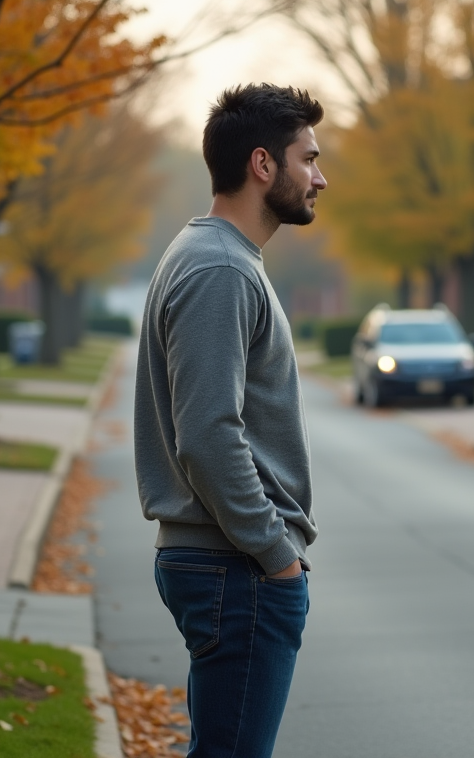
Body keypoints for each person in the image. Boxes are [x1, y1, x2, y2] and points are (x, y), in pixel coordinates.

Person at [134, 83, 326, 758]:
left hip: (225, 566)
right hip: (237, 569)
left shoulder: (218, 257)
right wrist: (277, 559)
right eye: (308, 158)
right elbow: (209, 435)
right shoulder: (220, 267)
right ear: (262, 165)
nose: (320, 178)